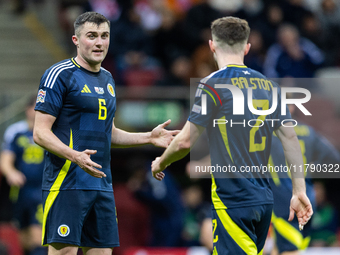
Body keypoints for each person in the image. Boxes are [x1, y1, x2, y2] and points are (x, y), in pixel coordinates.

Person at [151, 16, 313, 255]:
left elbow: (185, 141)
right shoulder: (270, 86)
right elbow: (290, 139)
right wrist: (299, 191)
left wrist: (160, 162)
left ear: (212, 46)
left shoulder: (212, 85)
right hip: (263, 200)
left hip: (233, 200)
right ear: (247, 48)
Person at [33, 11, 178, 255]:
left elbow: (107, 133)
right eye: (92, 36)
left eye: (104, 36)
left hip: (101, 184)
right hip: (67, 183)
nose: (99, 42)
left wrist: (148, 137)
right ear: (76, 40)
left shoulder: (108, 79)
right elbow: (40, 133)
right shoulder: (60, 74)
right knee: (65, 252)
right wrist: (74, 156)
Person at [269, 105, 340, 255]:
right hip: (307, 197)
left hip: (283, 201)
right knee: (282, 247)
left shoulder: (264, 131)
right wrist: (311, 173)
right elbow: (334, 159)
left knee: (290, 250)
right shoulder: (308, 131)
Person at [0, 96, 46, 255]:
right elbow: (5, 159)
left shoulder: (51, 132)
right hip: (20, 191)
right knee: (24, 236)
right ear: (27, 110)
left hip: (42, 190)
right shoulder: (16, 131)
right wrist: (11, 172)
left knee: (37, 237)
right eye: (35, 108)